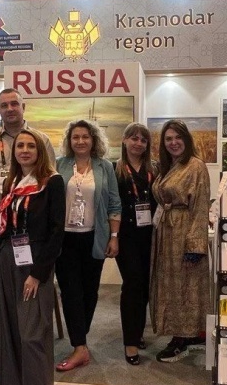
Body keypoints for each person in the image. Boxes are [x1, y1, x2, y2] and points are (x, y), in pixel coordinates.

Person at [0, 129, 64, 385]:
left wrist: (38, 274)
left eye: (30, 145)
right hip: (8, 259)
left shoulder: (52, 182)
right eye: (19, 145)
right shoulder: (12, 182)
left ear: (40, 150)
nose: (24, 150)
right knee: (8, 330)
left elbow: (57, 232)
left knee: (33, 335)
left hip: (35, 264)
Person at [0, 88, 55, 364]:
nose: (10, 109)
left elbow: (48, 178)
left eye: (14, 104)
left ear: (23, 107)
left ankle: (25, 335)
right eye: (4, 105)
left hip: (28, 225)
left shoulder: (40, 140)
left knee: (28, 277)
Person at [54, 119, 121, 371]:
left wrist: (114, 236)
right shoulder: (59, 165)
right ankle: (80, 346)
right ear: (69, 141)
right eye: (75, 137)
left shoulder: (105, 167)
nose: (80, 141)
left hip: (95, 237)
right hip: (65, 239)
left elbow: (114, 204)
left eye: (85, 137)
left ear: (93, 140)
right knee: (70, 291)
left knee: (90, 292)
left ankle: (80, 340)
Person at [150, 120, 211, 363]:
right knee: (171, 285)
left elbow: (201, 206)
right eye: (168, 139)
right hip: (167, 232)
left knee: (186, 285)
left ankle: (183, 337)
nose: (173, 142)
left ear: (186, 139)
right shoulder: (168, 167)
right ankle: (183, 333)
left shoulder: (196, 166)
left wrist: (195, 245)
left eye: (178, 137)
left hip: (184, 231)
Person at [114, 124, 157, 365]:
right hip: (126, 236)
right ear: (124, 140)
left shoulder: (155, 170)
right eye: (134, 138)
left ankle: (138, 331)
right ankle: (130, 341)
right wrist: (112, 236)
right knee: (132, 284)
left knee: (146, 286)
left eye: (143, 140)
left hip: (151, 235)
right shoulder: (115, 169)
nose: (138, 143)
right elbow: (111, 205)